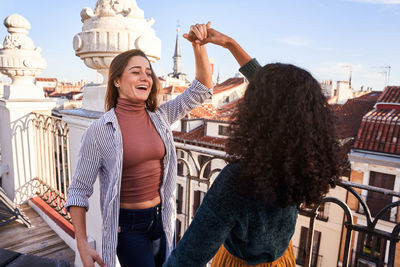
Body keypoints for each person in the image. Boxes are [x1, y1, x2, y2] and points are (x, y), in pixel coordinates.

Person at [164, 23, 341, 267]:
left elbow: (188, 257)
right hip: (283, 260)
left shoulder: (238, 179)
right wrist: (229, 44)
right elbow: (280, 96)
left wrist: (229, 44)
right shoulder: (303, 163)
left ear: (258, 112)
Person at [65, 25, 213, 267]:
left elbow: (201, 89)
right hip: (128, 227)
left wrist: (199, 46)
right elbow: (79, 191)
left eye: (148, 72)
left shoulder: (161, 116)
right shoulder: (99, 131)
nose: (145, 77)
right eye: (136, 72)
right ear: (116, 80)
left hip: (162, 217)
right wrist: (81, 242)